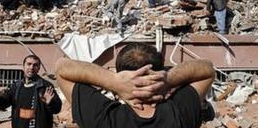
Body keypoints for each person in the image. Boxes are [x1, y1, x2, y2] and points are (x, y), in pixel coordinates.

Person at [55, 43, 215, 128]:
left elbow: (62, 68)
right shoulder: (179, 114)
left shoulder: (103, 118)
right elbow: (207, 69)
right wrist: (167, 80)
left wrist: (113, 81)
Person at [0, 55, 62, 128]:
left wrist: (50, 103)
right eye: (29, 64)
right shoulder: (16, 86)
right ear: (23, 66)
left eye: (35, 65)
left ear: (39, 68)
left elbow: (57, 109)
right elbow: (3, 103)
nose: (31, 67)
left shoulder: (45, 87)